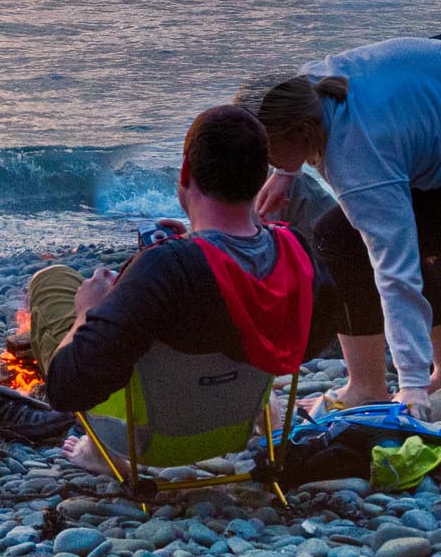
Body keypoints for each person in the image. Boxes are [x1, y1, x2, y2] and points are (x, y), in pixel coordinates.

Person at [28, 105, 339, 419]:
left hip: (143, 440)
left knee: (52, 280)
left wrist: (87, 312)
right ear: (261, 177)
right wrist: (192, 241)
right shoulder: (296, 252)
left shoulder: (167, 270)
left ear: (186, 172)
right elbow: (306, 340)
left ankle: (95, 452)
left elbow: (66, 389)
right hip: (236, 423)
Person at [246, 37, 441, 416]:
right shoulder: (308, 87)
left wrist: (412, 385)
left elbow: (395, 271)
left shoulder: (358, 160)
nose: (260, 163)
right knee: (403, 229)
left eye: (265, 151)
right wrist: (285, 170)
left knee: (340, 239)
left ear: (301, 133)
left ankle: (369, 387)